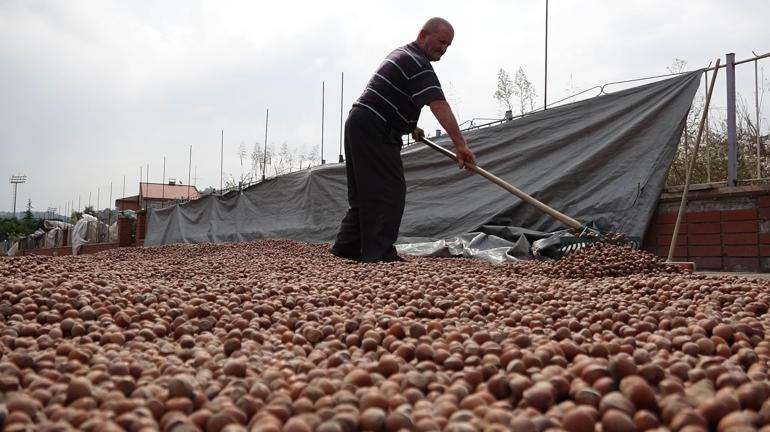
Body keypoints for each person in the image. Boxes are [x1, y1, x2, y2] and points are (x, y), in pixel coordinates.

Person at [330, 17, 475, 263]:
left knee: (365, 191)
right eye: (441, 42)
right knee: (389, 190)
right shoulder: (418, 62)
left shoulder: (403, 54)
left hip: (361, 121)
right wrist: (460, 145)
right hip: (374, 126)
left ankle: (347, 247)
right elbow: (438, 103)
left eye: (448, 45)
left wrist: (409, 126)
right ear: (423, 34)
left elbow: (390, 96)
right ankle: (379, 255)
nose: (443, 49)